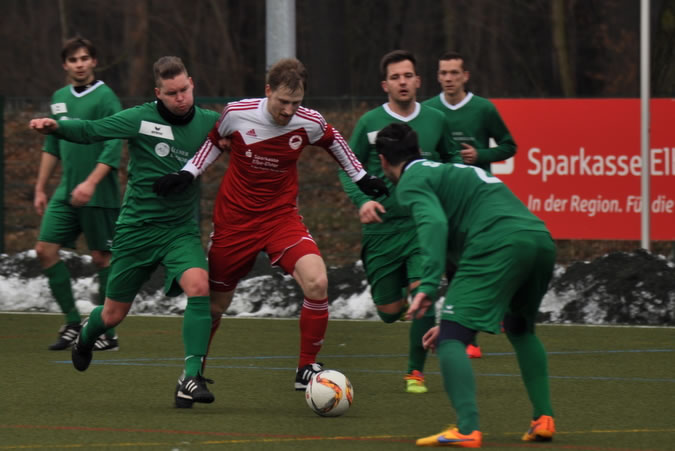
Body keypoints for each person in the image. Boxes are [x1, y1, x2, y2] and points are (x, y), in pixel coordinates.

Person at [152, 57, 389, 392]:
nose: (289, 110)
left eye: (296, 102)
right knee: (216, 305)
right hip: (235, 222)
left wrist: (361, 177)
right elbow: (213, 142)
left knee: (317, 281)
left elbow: (335, 141)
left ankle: (305, 368)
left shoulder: (309, 121)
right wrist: (187, 173)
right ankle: (192, 376)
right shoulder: (238, 113)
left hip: (280, 218)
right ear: (268, 91)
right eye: (283, 101)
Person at [29, 56, 220, 409]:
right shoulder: (140, 118)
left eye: (184, 90)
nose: (180, 98)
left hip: (179, 230)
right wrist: (56, 128)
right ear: (158, 93)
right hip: (136, 231)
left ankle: (191, 377)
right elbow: (91, 130)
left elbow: (250, 132)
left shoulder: (211, 123)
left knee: (199, 286)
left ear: (192, 83)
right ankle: (86, 335)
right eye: (172, 93)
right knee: (113, 315)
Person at [376, 122, 556, 447]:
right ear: (418, 150)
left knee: (451, 340)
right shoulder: (448, 171)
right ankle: (543, 418)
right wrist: (454, 321)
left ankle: (467, 428)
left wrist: (428, 284)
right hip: (539, 239)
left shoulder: (411, 181)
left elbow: (434, 223)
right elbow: (463, 259)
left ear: (383, 160)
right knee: (520, 329)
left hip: (496, 242)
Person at [337, 50, 458, 394]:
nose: (402, 82)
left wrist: (446, 189)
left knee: (423, 291)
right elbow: (347, 166)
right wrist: (363, 200)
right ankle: (400, 304)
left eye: (407, 76)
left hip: (421, 224)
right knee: (389, 310)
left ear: (418, 81)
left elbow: (451, 160)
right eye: (395, 77)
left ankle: (414, 372)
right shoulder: (369, 123)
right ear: (385, 85)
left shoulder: (436, 120)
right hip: (382, 231)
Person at [424, 51, 518, 359]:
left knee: (476, 261)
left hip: (478, 199)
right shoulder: (429, 110)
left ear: (465, 76)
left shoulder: (483, 109)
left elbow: (509, 146)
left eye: (454, 72)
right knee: (453, 266)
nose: (448, 78)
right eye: (443, 73)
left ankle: (479, 326)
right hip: (445, 198)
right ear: (437, 76)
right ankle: (469, 335)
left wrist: (480, 155)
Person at [34, 36, 123, 352]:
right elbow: (52, 145)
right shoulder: (59, 98)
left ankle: (107, 333)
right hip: (66, 192)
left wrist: (91, 182)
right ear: (65, 65)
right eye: (73, 60)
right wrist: (40, 187)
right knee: (45, 249)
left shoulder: (106, 98)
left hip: (99, 193)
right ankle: (73, 322)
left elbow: (114, 145)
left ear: (94, 61)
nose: (80, 64)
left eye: (85, 58)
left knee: (102, 258)